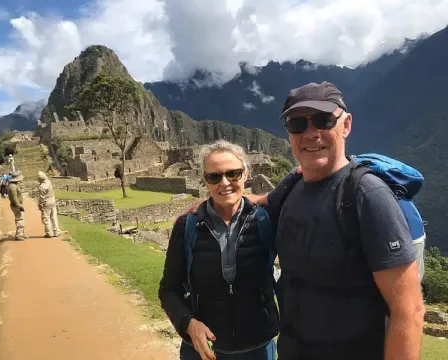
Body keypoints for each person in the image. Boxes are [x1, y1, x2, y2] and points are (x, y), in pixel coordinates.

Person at [248, 82, 425, 360]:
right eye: (297, 124)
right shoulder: (293, 185)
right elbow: (261, 202)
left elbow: (409, 309)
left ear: (346, 125)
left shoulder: (367, 195)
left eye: (323, 120)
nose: (311, 133)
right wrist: (207, 204)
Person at [159, 140, 278, 360]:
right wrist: (189, 324)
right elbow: (169, 289)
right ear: (205, 180)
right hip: (204, 350)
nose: (224, 183)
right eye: (214, 176)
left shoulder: (266, 220)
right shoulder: (187, 227)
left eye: (233, 174)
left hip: (258, 347)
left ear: (245, 174)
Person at [37, 171, 61, 238]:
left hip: (46, 203)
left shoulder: (41, 187)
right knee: (54, 217)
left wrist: (40, 205)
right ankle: (57, 231)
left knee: (46, 218)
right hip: (52, 202)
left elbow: (41, 198)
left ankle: (49, 233)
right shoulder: (48, 182)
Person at [7, 171, 25, 240]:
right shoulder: (13, 187)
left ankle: (21, 234)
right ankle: (19, 235)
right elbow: (14, 198)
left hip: (16, 205)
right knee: (19, 220)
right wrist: (19, 206)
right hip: (16, 206)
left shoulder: (13, 185)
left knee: (20, 219)